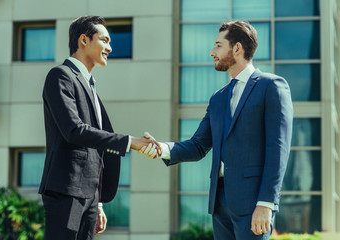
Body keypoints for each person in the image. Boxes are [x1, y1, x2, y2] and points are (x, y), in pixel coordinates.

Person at [140, 20, 293, 240]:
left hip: (253, 204)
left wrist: (266, 204)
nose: (212, 51)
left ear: (237, 48)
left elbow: (278, 149)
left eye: (218, 45)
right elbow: (198, 145)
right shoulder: (218, 98)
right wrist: (161, 148)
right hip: (220, 204)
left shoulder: (272, 86)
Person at [39, 16, 160, 240]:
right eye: (104, 40)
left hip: (90, 196)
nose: (110, 47)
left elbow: (96, 148)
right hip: (66, 191)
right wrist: (129, 141)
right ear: (83, 40)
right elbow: (74, 130)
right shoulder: (60, 76)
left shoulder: (90, 85)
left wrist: (99, 201)